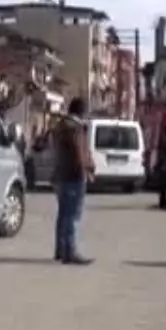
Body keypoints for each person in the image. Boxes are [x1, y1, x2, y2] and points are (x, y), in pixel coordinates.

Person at [52, 98, 94, 265]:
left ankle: (61, 250)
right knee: (73, 215)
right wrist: (87, 169)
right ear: (81, 111)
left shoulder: (60, 126)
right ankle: (71, 251)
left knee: (63, 214)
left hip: (61, 175)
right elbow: (79, 153)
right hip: (74, 176)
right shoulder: (75, 128)